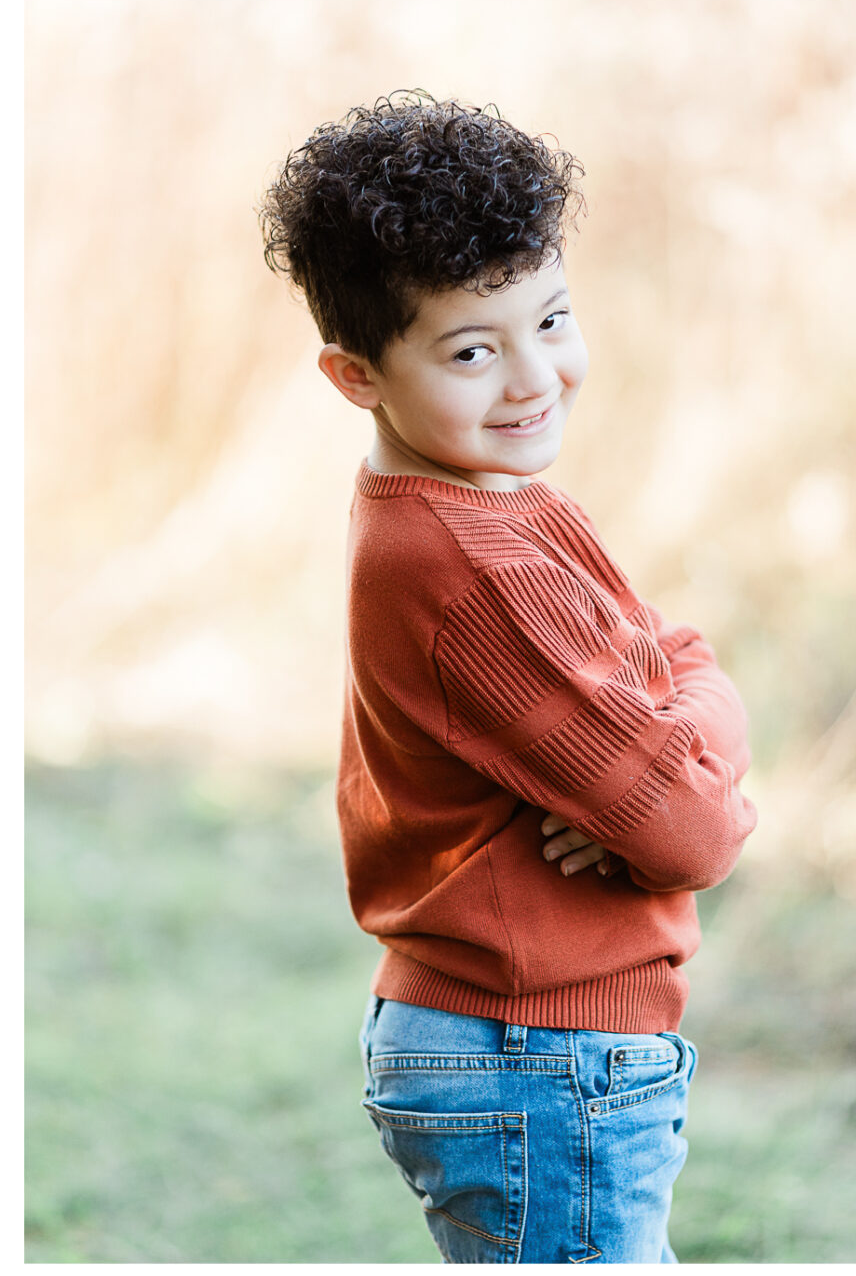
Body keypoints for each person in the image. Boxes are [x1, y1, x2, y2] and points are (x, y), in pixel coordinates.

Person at [260, 92, 757, 1258]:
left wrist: (689, 733)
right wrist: (696, 777)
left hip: (527, 1045)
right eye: (474, 350)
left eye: (554, 320)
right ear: (355, 374)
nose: (535, 378)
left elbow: (679, 656)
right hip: (537, 1051)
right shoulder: (476, 563)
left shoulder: (485, 503)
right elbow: (691, 834)